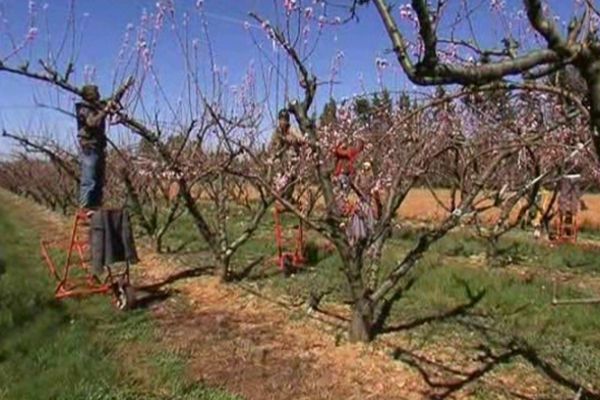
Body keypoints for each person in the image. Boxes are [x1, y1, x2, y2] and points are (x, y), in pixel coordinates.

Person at [76, 85, 116, 212]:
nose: (99, 94)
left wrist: (124, 88)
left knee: (99, 180)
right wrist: (105, 111)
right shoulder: (83, 109)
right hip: (89, 147)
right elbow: (92, 122)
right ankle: (85, 208)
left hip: (99, 146)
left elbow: (111, 99)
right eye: (96, 92)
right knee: (89, 180)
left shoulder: (97, 106)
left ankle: (95, 207)